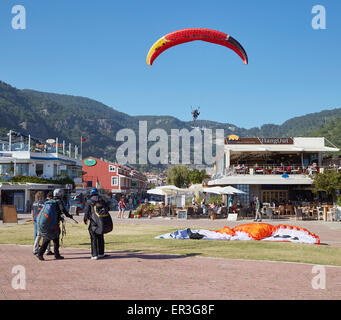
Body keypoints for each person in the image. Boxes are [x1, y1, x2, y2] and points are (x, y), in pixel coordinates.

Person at [36, 189, 73, 261]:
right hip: (52, 224)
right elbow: (63, 210)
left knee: (54, 238)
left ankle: (56, 254)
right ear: (60, 194)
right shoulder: (58, 202)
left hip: (48, 223)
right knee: (49, 239)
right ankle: (41, 254)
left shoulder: (49, 201)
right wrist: (69, 216)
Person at [83, 188, 110, 260]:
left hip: (93, 222)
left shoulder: (89, 201)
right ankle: (101, 253)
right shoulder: (102, 200)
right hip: (101, 222)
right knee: (100, 237)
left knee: (93, 238)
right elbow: (108, 208)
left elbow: (86, 212)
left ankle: (94, 255)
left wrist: (85, 219)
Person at [32, 191, 53, 256]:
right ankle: (47, 250)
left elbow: (32, 211)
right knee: (47, 235)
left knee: (37, 235)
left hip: (35, 219)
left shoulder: (34, 203)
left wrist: (33, 219)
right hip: (42, 220)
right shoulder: (44, 203)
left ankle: (35, 249)